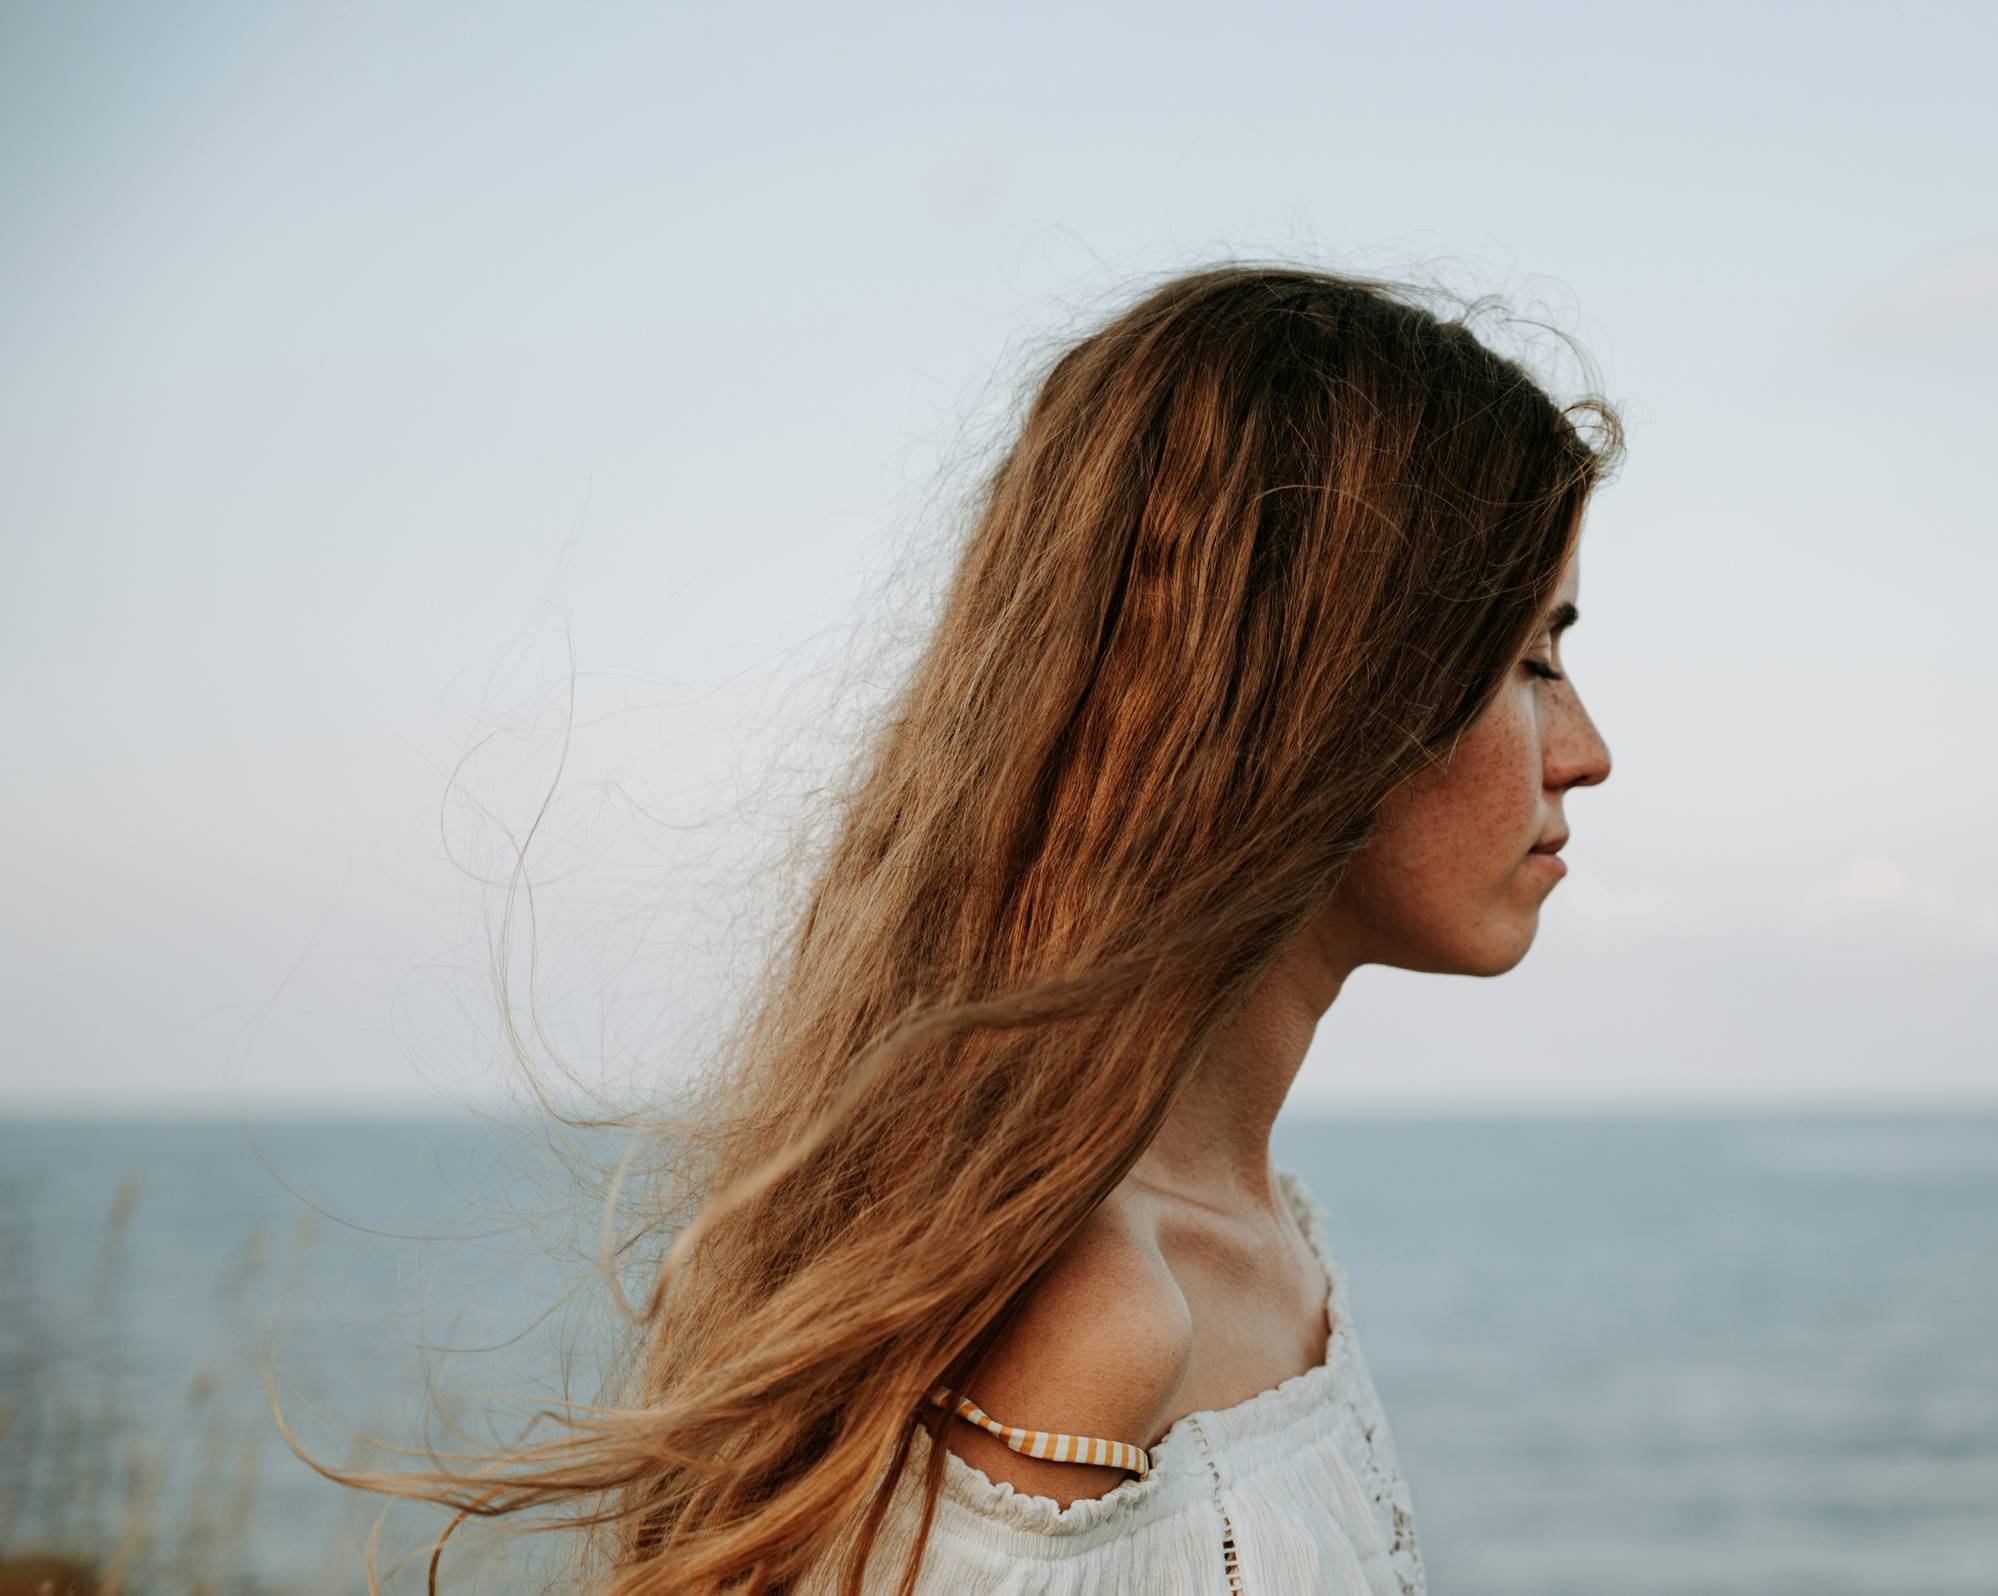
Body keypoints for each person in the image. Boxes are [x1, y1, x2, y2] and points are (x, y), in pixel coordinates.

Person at [292, 260, 1621, 1595]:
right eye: (1530, 661)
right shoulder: (1098, 1314)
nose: (1586, 751)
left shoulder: (1260, 1236)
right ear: (1324, 697)